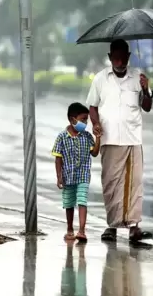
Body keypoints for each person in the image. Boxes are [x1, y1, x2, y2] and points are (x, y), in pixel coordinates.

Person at [85, 39, 153, 242]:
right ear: (110, 58)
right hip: (109, 139)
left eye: (123, 57)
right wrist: (95, 124)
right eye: (115, 57)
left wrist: (145, 88)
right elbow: (92, 106)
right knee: (110, 183)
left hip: (132, 138)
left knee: (134, 183)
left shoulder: (138, 77)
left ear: (128, 57)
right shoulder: (100, 79)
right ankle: (112, 227)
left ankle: (134, 227)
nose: (119, 61)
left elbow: (147, 106)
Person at [52, 102, 101, 242]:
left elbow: (95, 153)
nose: (85, 123)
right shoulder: (62, 137)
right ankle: (69, 229)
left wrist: (98, 138)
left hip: (83, 176)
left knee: (82, 200)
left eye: (87, 120)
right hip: (68, 176)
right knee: (69, 203)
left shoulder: (87, 136)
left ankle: (82, 230)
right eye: (83, 119)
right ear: (72, 119)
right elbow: (58, 159)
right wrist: (59, 177)